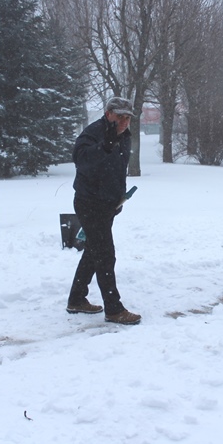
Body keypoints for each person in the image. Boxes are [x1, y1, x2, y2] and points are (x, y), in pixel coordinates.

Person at [66, 97, 141, 325]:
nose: (124, 122)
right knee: (105, 254)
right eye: (120, 117)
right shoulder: (93, 133)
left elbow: (118, 169)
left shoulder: (124, 136)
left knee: (94, 251)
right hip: (90, 203)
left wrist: (119, 196)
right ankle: (114, 309)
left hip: (108, 203)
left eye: (127, 118)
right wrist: (104, 147)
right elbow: (81, 160)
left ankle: (77, 298)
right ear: (108, 113)